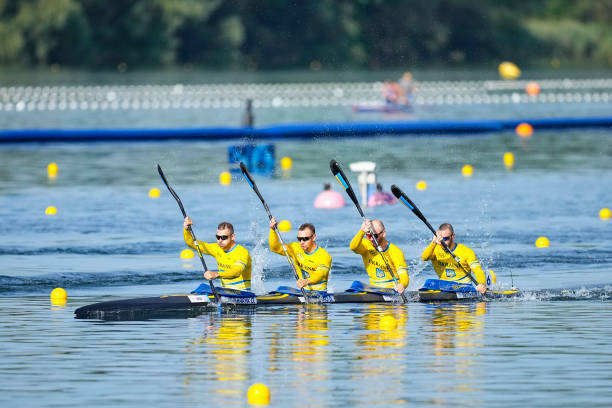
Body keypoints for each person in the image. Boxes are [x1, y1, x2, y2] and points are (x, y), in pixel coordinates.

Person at [183, 216, 252, 291]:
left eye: (223, 237)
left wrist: (216, 274)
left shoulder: (242, 252)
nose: (219, 241)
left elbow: (236, 271)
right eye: (218, 237)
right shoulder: (217, 248)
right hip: (226, 292)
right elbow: (192, 243)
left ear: (232, 237)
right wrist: (187, 230)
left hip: (243, 293)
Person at [269, 217, 331, 291]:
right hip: (301, 292)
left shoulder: (324, 256)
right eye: (299, 239)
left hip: (319, 293)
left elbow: (321, 274)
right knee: (280, 289)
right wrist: (273, 230)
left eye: (305, 239)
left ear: (314, 237)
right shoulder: (295, 248)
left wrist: (306, 281)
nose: (301, 242)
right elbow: (275, 248)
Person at [421, 223, 487, 294]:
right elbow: (424, 258)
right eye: (441, 238)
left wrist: (481, 284)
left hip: (464, 286)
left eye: (445, 238)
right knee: (429, 282)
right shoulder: (434, 249)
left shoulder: (466, 252)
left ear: (453, 236)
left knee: (432, 283)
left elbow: (478, 270)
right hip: (443, 286)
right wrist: (433, 242)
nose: (442, 242)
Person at [349, 219, 409, 293]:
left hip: (392, 290)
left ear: (383, 233)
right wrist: (362, 231)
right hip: (373, 289)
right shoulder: (366, 245)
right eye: (368, 235)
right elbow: (353, 247)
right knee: (356, 284)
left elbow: (404, 275)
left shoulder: (395, 252)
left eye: (375, 236)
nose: (371, 239)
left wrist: (402, 285)